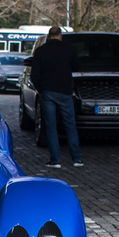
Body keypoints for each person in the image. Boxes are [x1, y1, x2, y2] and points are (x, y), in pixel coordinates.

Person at [31, 26, 83, 168]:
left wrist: (41, 88)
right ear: (60, 36)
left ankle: (55, 160)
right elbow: (77, 67)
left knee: (51, 127)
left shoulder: (41, 51)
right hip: (65, 91)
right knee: (70, 125)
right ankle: (76, 159)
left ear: (48, 36)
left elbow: (34, 75)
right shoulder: (69, 50)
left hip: (47, 92)